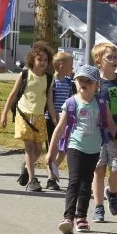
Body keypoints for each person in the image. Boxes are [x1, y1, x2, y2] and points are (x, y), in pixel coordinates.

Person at [48, 65, 117, 234]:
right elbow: (59, 128)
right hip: (75, 146)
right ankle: (68, 218)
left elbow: (110, 123)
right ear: (75, 82)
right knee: (74, 181)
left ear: (97, 85)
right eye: (80, 80)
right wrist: (51, 152)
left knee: (86, 183)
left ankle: (81, 218)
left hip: (94, 148)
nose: (84, 83)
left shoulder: (101, 103)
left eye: (88, 81)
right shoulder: (71, 103)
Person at [1, 42, 57, 192]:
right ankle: (32, 180)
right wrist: (5, 113)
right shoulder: (25, 74)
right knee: (30, 146)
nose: (43, 63)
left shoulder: (49, 79)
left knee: (38, 149)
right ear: (32, 60)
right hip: (23, 114)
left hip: (39, 116)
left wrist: (55, 120)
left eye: (45, 60)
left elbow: (49, 101)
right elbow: (13, 94)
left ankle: (27, 165)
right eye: (40, 60)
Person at [91, 42, 117, 223]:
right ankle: (98, 206)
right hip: (98, 133)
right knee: (99, 169)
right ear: (99, 61)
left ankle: (112, 192)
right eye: (110, 57)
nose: (115, 60)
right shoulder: (95, 82)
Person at [45, 51, 75, 191]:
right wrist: (54, 117)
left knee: (63, 148)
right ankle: (51, 178)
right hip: (52, 120)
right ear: (61, 66)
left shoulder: (69, 82)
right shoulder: (52, 81)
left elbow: (71, 99)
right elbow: (49, 100)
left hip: (66, 120)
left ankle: (54, 167)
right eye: (71, 65)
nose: (73, 68)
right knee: (52, 148)